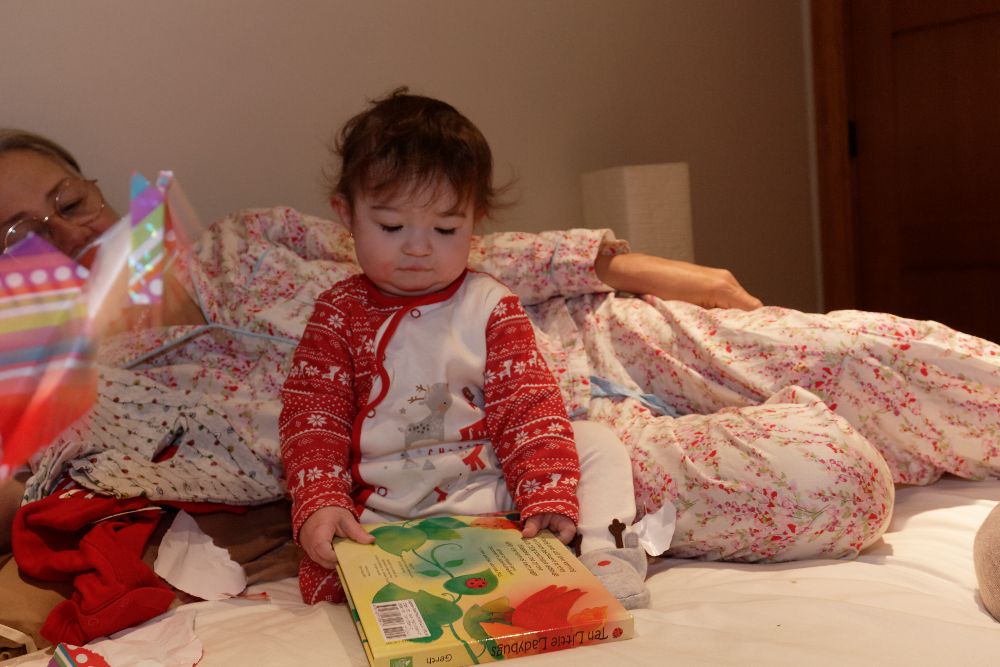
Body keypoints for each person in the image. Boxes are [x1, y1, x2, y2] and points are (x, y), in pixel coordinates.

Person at [0, 117, 997, 644]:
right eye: (17, 232)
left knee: (901, 362)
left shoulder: (244, 243)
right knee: (832, 486)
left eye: (67, 200)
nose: (62, 232)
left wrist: (646, 269)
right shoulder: (72, 407)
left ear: (102, 192)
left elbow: (464, 241)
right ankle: (823, 438)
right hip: (523, 472)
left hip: (589, 339)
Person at [280, 91, 650, 608]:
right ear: (347, 215)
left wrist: (545, 493)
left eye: (446, 228)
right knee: (330, 550)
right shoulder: (338, 314)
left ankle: (604, 554)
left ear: (476, 220)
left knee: (595, 442)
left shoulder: (491, 305)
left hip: (496, 497)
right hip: (385, 513)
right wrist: (321, 502)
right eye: (391, 227)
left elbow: (527, 408)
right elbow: (312, 421)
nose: (418, 247)